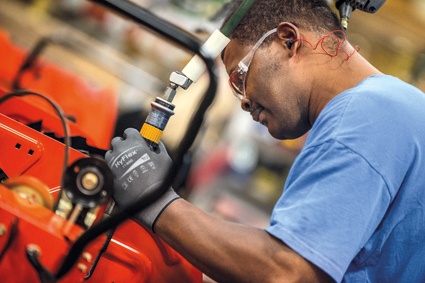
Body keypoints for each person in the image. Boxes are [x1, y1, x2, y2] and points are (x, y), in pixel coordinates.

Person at [105, 0, 425, 282]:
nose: (243, 101)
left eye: (240, 77)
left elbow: (288, 272)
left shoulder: (363, 116)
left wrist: (155, 201)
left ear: (288, 41)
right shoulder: (386, 106)